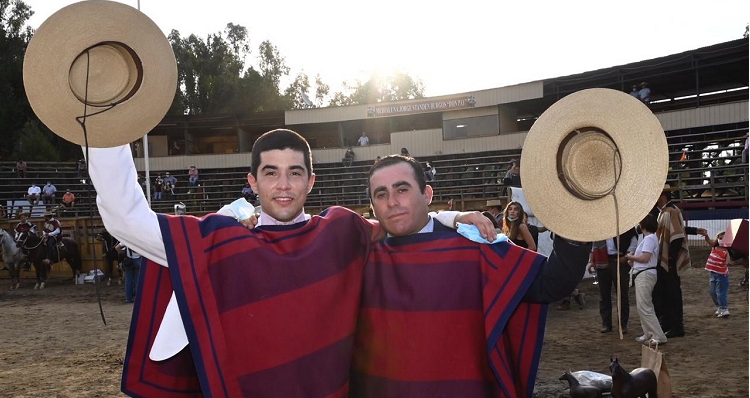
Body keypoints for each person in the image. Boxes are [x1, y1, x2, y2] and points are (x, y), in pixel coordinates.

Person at [88, 129, 492, 396]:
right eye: (271, 173)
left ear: (311, 181)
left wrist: (452, 217)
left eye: (295, 173)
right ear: (253, 182)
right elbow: (127, 220)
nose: (283, 185)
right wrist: (110, 124)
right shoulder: (221, 239)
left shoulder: (341, 230)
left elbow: (398, 221)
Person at [353, 154, 591, 395]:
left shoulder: (474, 246)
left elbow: (551, 283)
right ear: (372, 205)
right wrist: (450, 217)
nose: (392, 202)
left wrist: (576, 215)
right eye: (381, 194)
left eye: (402, 189)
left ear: (427, 194)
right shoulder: (360, 259)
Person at [653, 185, 705, 338]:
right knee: (666, 292)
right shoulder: (668, 211)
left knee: (671, 293)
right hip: (667, 260)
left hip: (668, 261)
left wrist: (670, 258)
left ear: (662, 197)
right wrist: (695, 230)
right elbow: (679, 231)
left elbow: (676, 236)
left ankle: (675, 325)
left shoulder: (670, 212)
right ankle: (669, 323)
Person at [625, 214, 667, 345]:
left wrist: (631, 257)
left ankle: (658, 335)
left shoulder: (649, 239)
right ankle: (648, 332)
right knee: (642, 305)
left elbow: (645, 258)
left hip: (645, 274)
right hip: (643, 272)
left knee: (645, 306)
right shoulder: (648, 238)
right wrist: (633, 261)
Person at [590, 227, 638, 334]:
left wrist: (626, 256)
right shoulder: (600, 227)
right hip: (602, 259)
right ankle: (606, 323)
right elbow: (594, 244)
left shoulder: (625, 225)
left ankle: (622, 324)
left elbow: (633, 240)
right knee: (604, 294)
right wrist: (592, 260)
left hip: (619, 259)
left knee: (622, 293)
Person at [699, 230, 731, 318]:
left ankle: (724, 308)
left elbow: (728, 262)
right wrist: (706, 235)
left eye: (723, 239)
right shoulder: (714, 247)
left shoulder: (726, 251)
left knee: (721, 293)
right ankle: (720, 307)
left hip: (722, 275)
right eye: (720, 238)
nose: (721, 240)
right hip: (713, 274)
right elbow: (708, 240)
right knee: (712, 292)